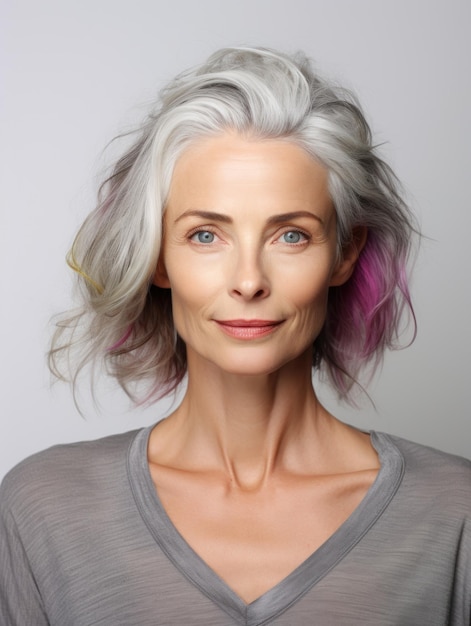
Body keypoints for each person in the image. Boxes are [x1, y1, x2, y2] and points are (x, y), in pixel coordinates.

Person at [0, 47, 469, 626]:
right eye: (205, 236)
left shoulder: (456, 514)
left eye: (291, 236)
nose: (249, 281)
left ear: (345, 253)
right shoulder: (44, 509)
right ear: (158, 258)